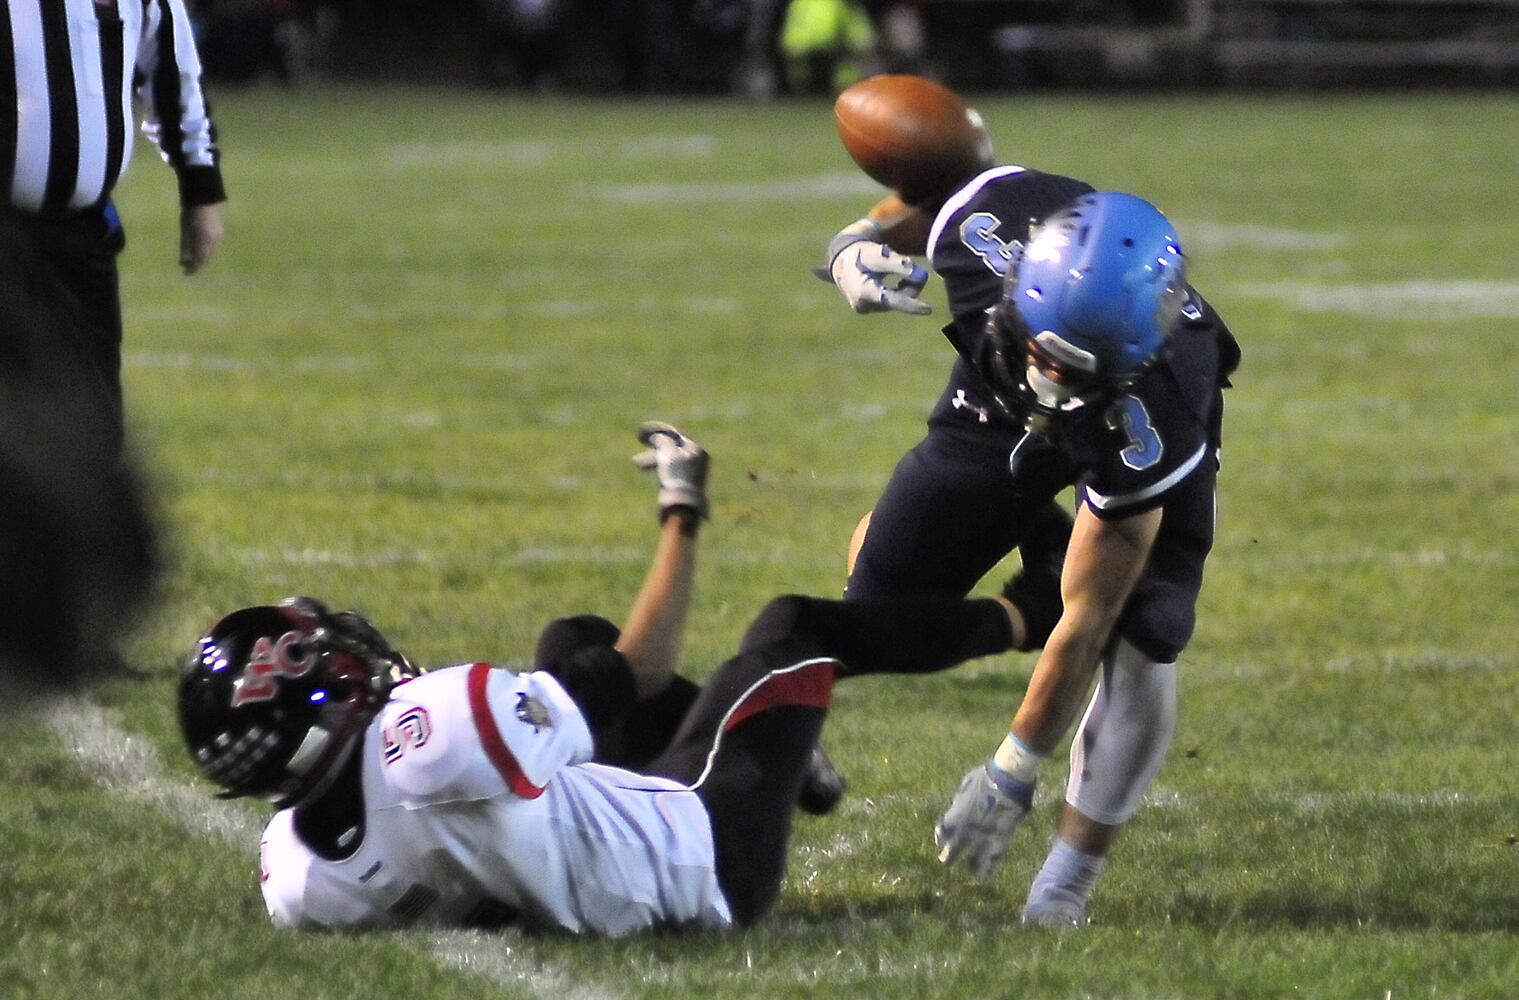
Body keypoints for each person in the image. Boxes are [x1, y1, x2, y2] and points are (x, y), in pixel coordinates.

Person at [177, 423, 1059, 934]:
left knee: (573, 637)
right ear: (313, 702)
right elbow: (638, 669)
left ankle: (794, 763)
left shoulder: (297, 878)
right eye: (319, 656)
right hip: (704, 858)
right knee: (795, 628)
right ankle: (1029, 615)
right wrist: (682, 507)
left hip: (574, 858)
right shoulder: (436, 729)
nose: (344, 655)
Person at [820, 80, 1239, 926]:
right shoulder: (991, 236)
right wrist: (850, 244)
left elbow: (1085, 621)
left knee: (1142, 631)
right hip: (992, 401)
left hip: (1119, 431)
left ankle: (1065, 886)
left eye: (1071, 369)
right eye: (1041, 354)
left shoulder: (1148, 413)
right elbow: (929, 193)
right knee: (879, 594)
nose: (1050, 383)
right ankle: (1040, 550)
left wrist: (1014, 766)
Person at [1, 0, 226, 689]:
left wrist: (201, 185)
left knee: (94, 428)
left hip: (83, 240)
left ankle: (84, 634)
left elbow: (171, 67)